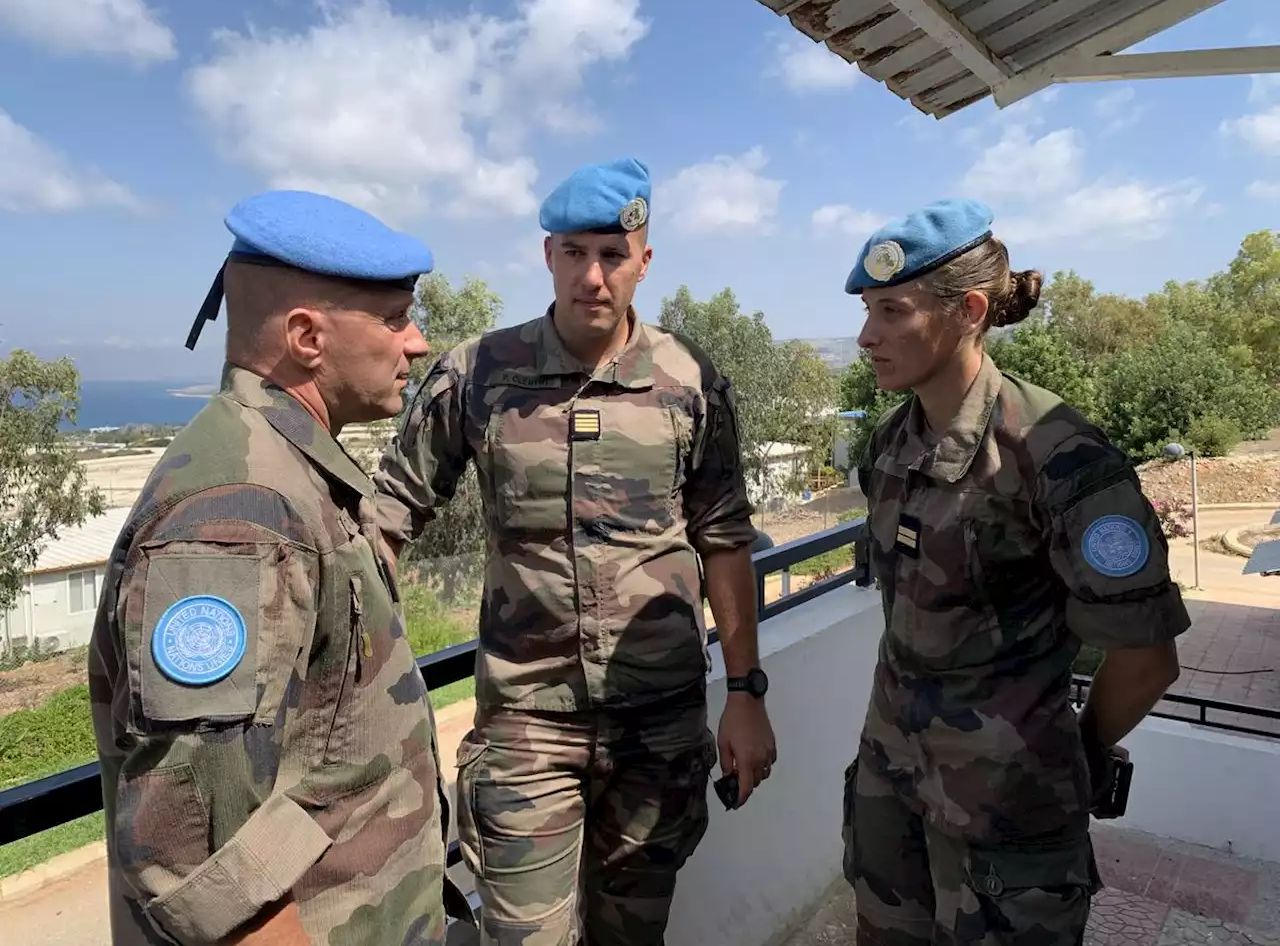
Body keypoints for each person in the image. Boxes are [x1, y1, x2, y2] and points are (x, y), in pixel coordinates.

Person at [373, 156, 777, 945]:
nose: (593, 276)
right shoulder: (480, 375)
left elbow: (724, 539)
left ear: (643, 262)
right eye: (574, 253)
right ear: (548, 255)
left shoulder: (690, 380)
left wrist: (746, 690)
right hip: (527, 724)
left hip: (656, 723)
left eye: (612, 255)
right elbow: (389, 517)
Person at [87, 189, 467, 945]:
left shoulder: (287, 470)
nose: (417, 342)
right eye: (395, 318)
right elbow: (200, 861)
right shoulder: (238, 517)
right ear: (305, 336)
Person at [842, 198, 1190, 943]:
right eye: (867, 310)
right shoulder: (889, 444)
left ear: (968, 311)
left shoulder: (1060, 457)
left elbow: (1145, 657)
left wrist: (1073, 752)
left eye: (892, 311)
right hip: (891, 799)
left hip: (1008, 824)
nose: (867, 336)